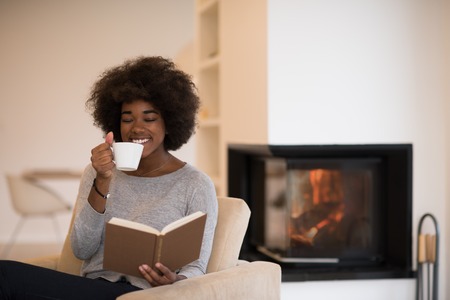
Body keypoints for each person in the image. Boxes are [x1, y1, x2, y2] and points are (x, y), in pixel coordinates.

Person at [0, 56, 218, 299]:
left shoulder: (195, 184)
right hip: (94, 287)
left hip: (146, 295)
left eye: (149, 118)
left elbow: (197, 267)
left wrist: (177, 280)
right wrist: (102, 180)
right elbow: (82, 249)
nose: (136, 128)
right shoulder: (97, 171)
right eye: (127, 119)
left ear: (170, 122)